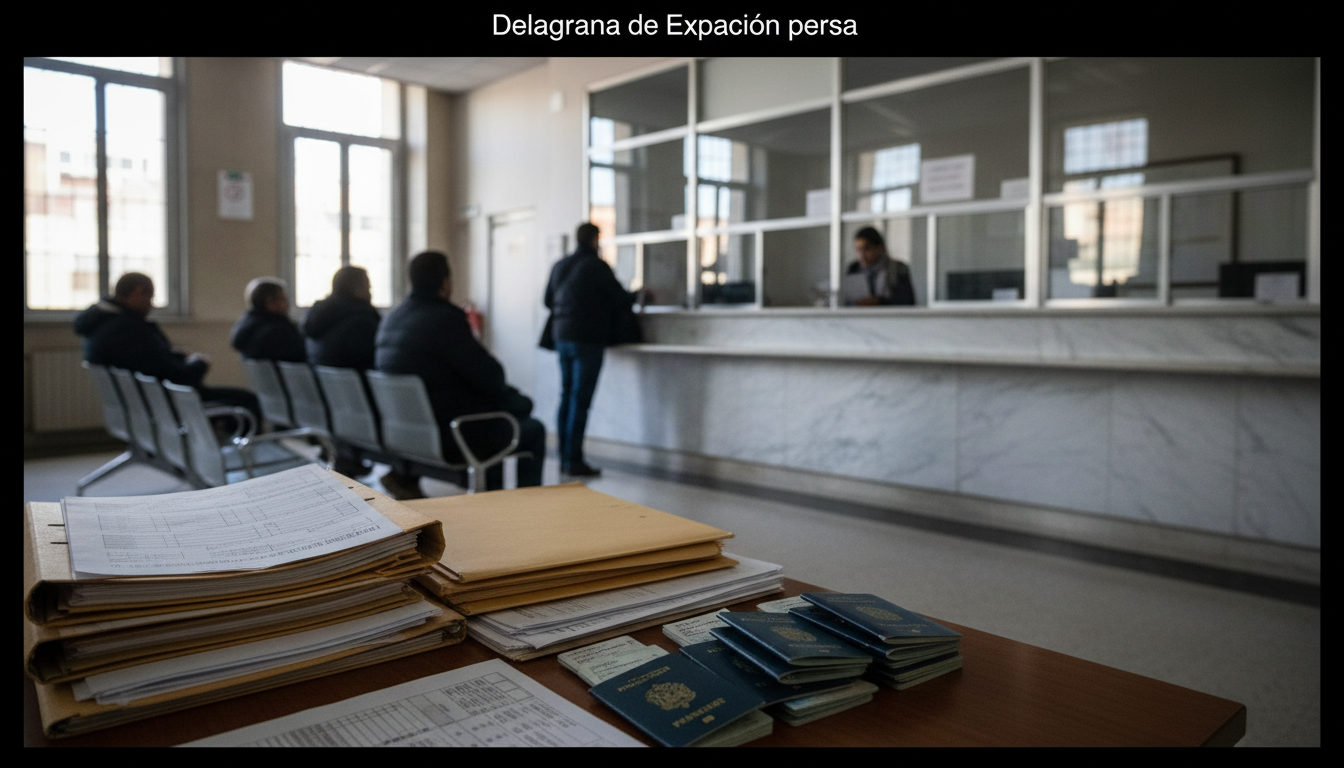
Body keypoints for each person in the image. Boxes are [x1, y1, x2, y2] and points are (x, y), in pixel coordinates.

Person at [374, 251, 546, 498]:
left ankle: (493, 497)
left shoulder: (391, 319)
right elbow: (491, 377)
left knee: (499, 417)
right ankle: (526, 506)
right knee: (531, 429)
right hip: (449, 435)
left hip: (405, 433)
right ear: (445, 283)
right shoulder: (445, 319)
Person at [73, 271, 261, 424]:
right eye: (150, 297)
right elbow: (177, 378)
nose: (151, 305)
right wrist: (199, 364)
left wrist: (173, 356)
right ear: (138, 292)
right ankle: (244, 459)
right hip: (165, 404)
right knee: (247, 401)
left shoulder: (100, 326)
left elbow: (148, 362)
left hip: (142, 405)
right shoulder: (128, 329)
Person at [543, 222, 641, 478]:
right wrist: (641, 295)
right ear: (595, 239)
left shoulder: (560, 265)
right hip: (587, 339)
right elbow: (620, 298)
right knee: (580, 400)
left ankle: (564, 456)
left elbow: (547, 300)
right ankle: (573, 459)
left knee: (567, 396)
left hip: (561, 336)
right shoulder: (597, 266)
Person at [303, 265, 381, 371]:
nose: (370, 291)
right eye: (368, 286)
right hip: (359, 384)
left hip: (329, 386)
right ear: (357, 288)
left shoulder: (317, 318)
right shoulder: (362, 322)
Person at [230, 277, 306, 362]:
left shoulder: (247, 328)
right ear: (270, 302)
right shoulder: (279, 332)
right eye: (283, 299)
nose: (287, 304)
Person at [844, 226, 916, 306]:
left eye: (867, 248)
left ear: (880, 248)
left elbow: (908, 301)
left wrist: (879, 302)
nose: (862, 255)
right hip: (858, 317)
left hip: (890, 317)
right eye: (858, 249)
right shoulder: (853, 269)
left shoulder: (898, 268)